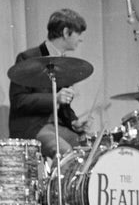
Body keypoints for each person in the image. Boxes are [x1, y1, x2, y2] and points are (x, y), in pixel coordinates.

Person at [9, 8, 89, 159]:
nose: (81, 39)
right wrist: (54, 98)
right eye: (79, 33)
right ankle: (55, 183)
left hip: (56, 127)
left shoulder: (65, 63)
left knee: (86, 149)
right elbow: (19, 101)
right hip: (32, 127)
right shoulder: (27, 58)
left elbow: (64, 107)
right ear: (66, 32)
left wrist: (74, 122)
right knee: (66, 152)